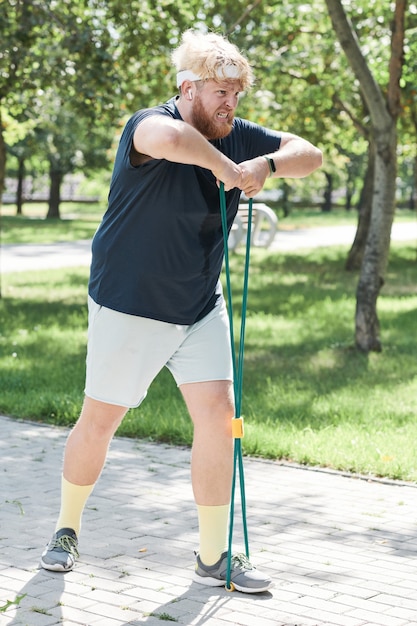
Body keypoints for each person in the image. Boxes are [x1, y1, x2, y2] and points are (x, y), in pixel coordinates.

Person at [40, 29, 322, 593]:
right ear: (187, 87)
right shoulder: (149, 125)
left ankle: (214, 555)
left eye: (238, 95)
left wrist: (263, 165)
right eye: (221, 92)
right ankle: (66, 530)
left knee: (220, 417)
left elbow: (308, 153)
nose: (231, 105)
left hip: (197, 304)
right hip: (130, 303)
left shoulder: (236, 134)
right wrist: (226, 167)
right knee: (101, 421)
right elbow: (170, 139)